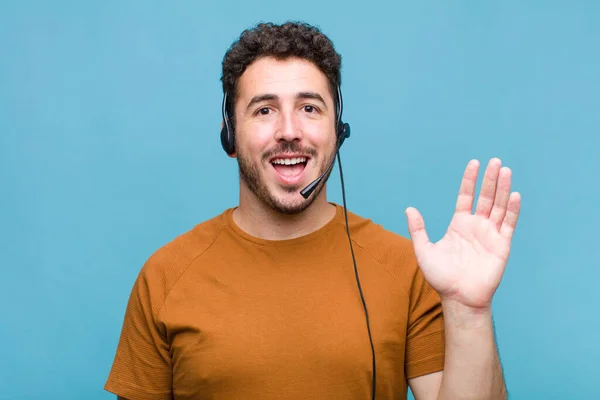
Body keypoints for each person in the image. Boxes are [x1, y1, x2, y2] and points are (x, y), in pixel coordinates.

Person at [104, 21, 521, 400]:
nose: (289, 131)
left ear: (337, 131)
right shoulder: (165, 276)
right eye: (264, 110)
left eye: (309, 108)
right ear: (229, 135)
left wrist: (469, 312)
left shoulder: (406, 268)